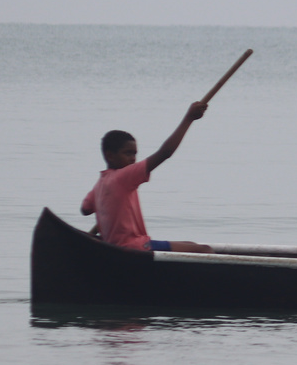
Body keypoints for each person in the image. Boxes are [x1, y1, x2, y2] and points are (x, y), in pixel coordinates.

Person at [81, 101, 214, 253]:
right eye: (128, 153)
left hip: (118, 247)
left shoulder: (100, 185)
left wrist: (109, 212)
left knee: (189, 243)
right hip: (136, 247)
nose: (133, 159)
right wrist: (188, 118)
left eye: (135, 154)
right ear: (110, 156)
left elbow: (85, 209)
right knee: (205, 251)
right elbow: (165, 153)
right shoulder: (123, 177)